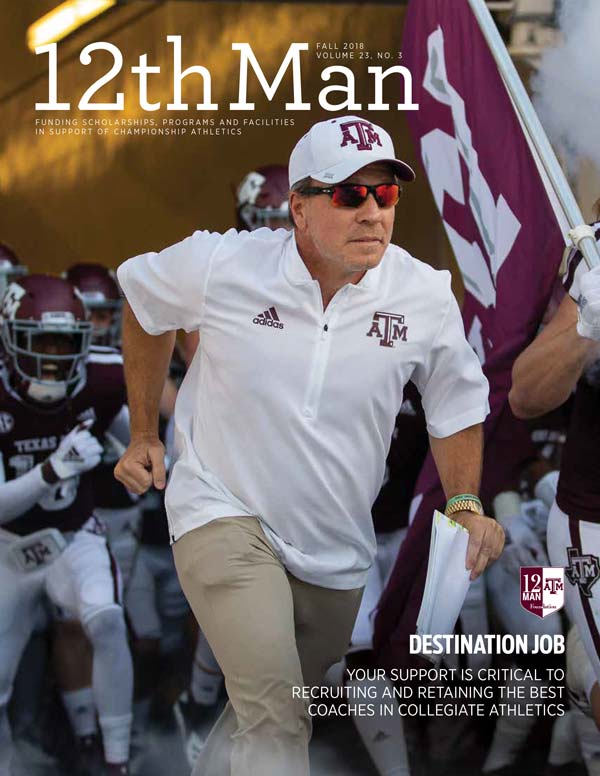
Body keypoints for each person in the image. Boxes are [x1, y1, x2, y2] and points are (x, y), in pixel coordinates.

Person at [115, 115, 504, 776]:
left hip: (335, 550)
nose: (372, 212)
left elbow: (457, 401)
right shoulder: (222, 263)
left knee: (264, 713)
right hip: (222, 512)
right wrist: (146, 431)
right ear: (298, 208)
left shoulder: (424, 294)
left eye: (385, 195)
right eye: (350, 195)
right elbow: (145, 302)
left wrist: (464, 500)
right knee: (276, 716)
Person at [0, 274, 134, 775]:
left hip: (75, 534)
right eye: (42, 342)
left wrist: (139, 459)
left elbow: (138, 442)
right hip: (6, 546)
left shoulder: (102, 376)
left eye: (65, 343)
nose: (54, 356)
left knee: (107, 618)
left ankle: (115, 758)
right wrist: (51, 469)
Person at [509, 213, 600, 729]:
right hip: (577, 517)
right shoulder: (595, 250)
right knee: (531, 640)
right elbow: (524, 397)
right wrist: (586, 332)